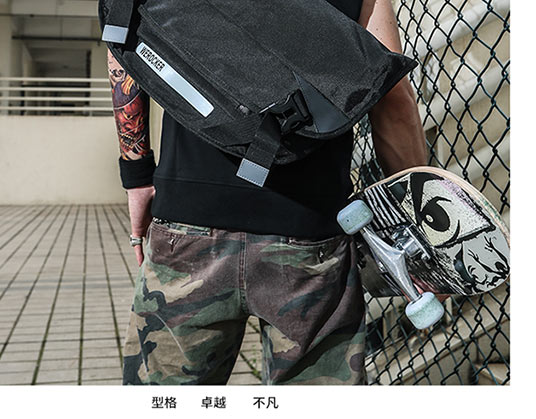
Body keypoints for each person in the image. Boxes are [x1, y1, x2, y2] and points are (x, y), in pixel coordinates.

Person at [108, 0, 427, 385]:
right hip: (310, 232)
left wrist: (137, 175)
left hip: (188, 222)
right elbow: (392, 99)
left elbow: (124, 35)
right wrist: (418, 232)